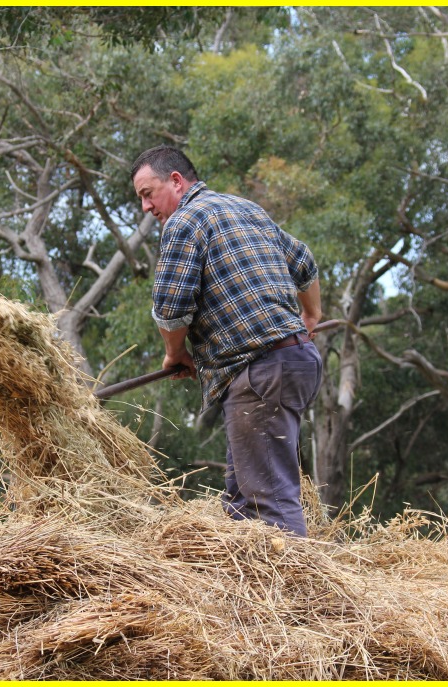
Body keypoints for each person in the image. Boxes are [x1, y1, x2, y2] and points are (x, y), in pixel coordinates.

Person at [130, 145, 323, 536]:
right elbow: (303, 260)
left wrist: (175, 353)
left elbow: (170, 308)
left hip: (261, 370)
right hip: (295, 360)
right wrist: (312, 314)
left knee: (268, 505)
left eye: (148, 194)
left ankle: (299, 595)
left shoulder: (184, 222)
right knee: (241, 501)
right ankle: (251, 592)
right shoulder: (246, 209)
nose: (147, 208)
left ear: (177, 181)